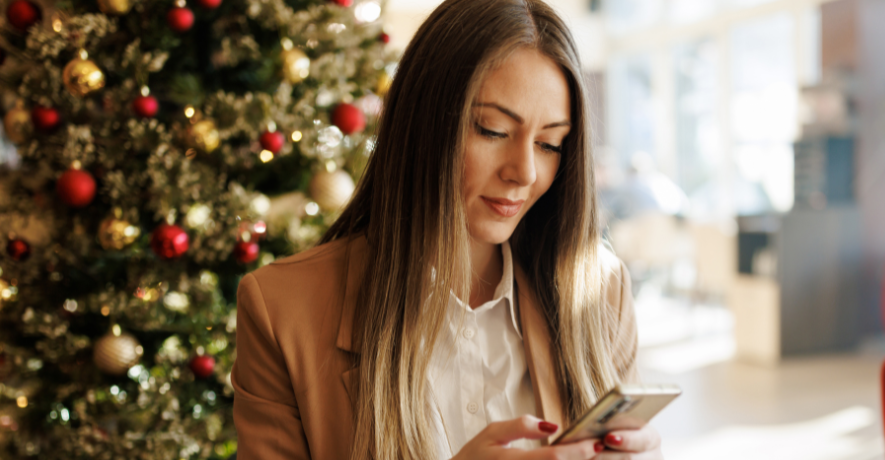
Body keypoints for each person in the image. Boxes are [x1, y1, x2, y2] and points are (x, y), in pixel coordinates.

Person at [231, 0, 661, 458]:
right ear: (422, 124)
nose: (525, 172)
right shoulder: (282, 310)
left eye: (549, 143)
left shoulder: (601, 290)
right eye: (492, 130)